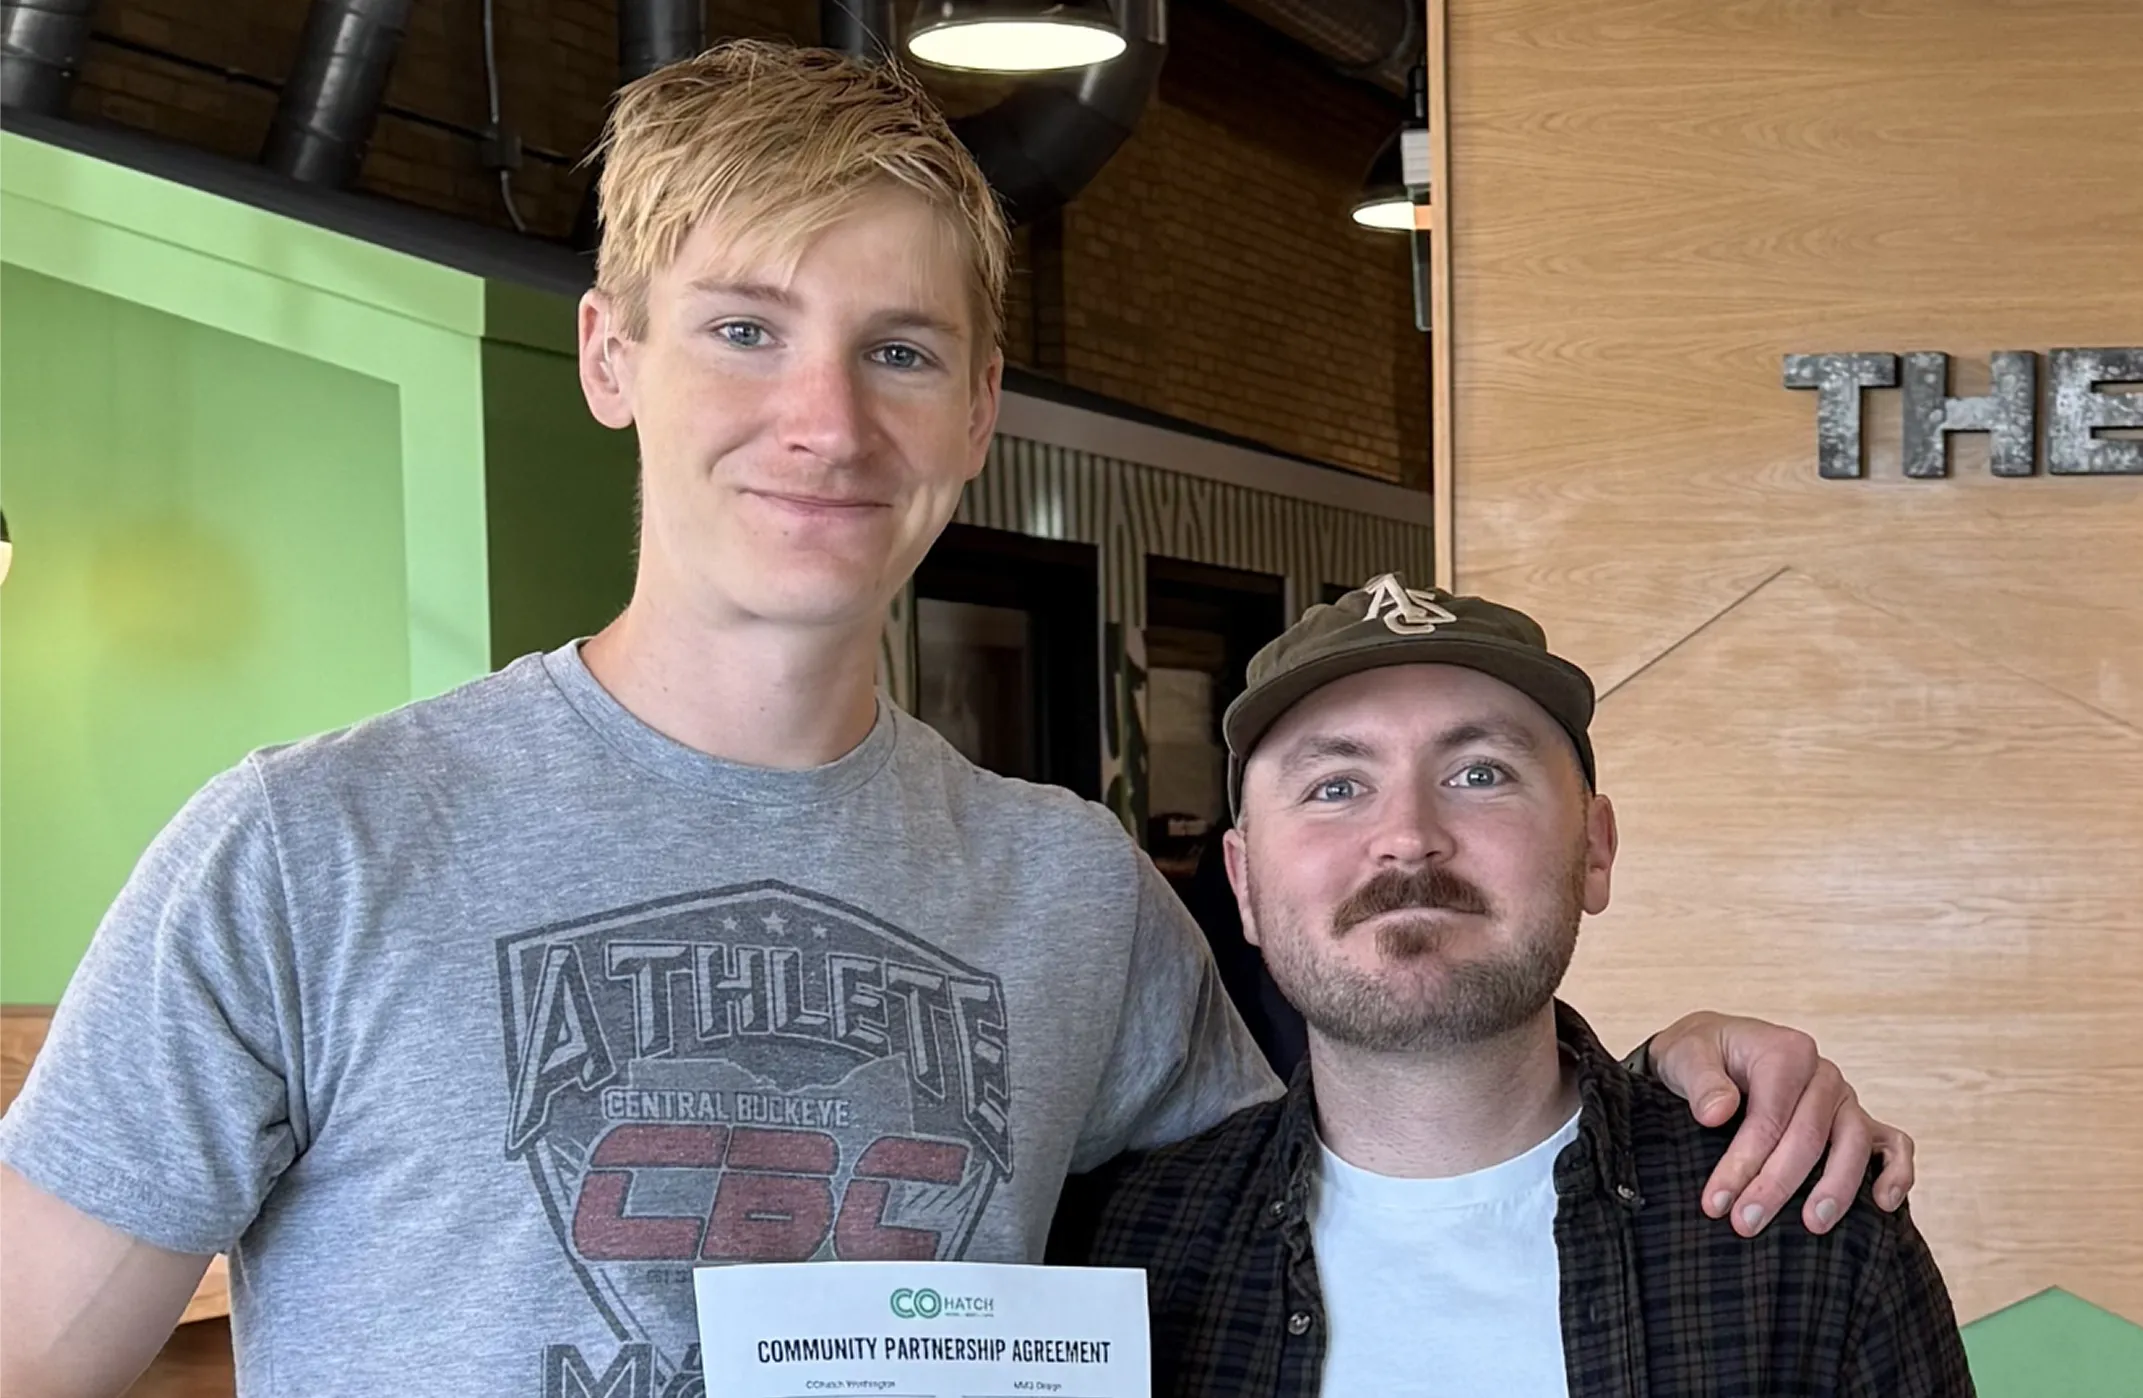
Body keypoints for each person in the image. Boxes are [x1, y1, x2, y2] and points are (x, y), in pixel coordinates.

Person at [1, 43, 1911, 1398]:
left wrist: (1667, 1088)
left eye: (896, 349)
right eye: (744, 327)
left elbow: (1380, 1152)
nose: (826, 422)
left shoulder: (1067, 887)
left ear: (976, 409)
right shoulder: (306, 846)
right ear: (608, 355)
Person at [1049, 573, 1969, 1397]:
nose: (1407, 835)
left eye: (1479, 773)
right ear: (1246, 885)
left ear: (1594, 850)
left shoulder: (1801, 1232)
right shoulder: (1130, 1249)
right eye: (1335, 786)